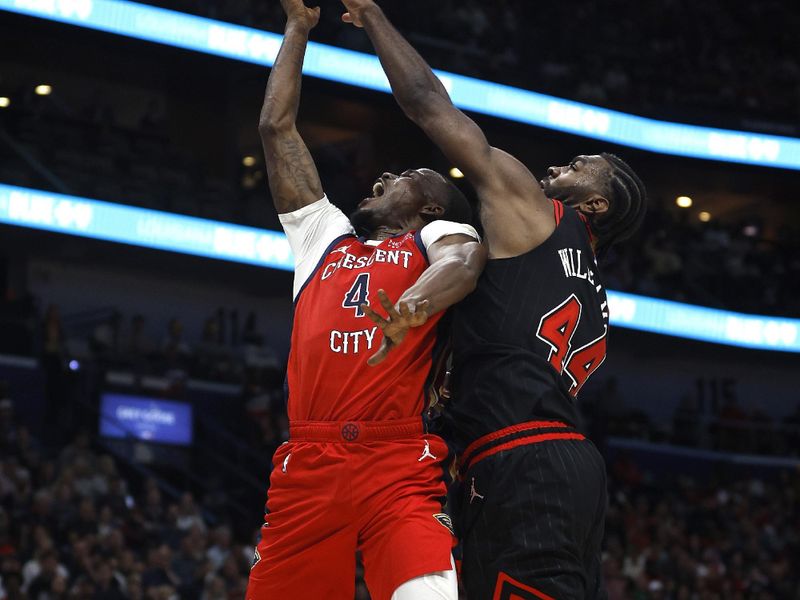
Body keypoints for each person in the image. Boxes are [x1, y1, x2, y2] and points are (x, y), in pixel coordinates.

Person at [339, 2, 647, 598]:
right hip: (557, 464)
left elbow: (429, 104)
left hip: (520, 458)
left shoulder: (538, 214)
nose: (559, 166)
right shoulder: (589, 285)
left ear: (597, 205)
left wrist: (373, 16)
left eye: (580, 166)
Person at [245, 1, 485, 599]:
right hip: (309, 456)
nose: (381, 179)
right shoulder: (322, 238)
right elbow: (277, 129)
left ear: (431, 204)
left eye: (403, 177)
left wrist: (416, 304)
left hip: (397, 457)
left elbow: (464, 264)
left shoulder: (434, 236)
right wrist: (298, 29)